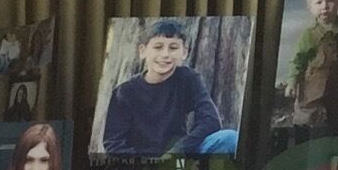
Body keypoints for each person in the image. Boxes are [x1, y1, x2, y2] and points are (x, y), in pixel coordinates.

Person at [98, 18, 236, 158]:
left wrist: (176, 153)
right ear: (143, 51)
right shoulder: (124, 92)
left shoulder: (188, 79)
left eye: (173, 48)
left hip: (181, 156)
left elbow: (210, 121)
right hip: (143, 166)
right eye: (158, 47)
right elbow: (113, 142)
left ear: (184, 52)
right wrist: (150, 164)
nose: (165, 55)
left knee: (229, 138)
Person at [286, 0, 338, 138]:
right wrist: (292, 81)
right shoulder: (309, 35)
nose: (324, 7)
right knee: (307, 112)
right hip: (313, 82)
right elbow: (298, 59)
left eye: (330, 1)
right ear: (311, 7)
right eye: (318, 3)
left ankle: (337, 143)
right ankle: (302, 139)